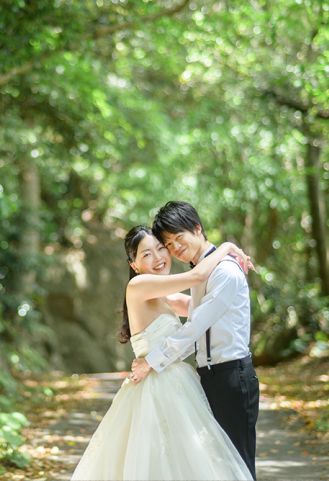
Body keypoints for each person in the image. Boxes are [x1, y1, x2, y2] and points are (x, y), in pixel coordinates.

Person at [70, 225, 253, 481]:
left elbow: (204, 306)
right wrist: (228, 247)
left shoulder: (164, 296)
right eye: (147, 254)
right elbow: (198, 276)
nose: (158, 257)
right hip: (157, 387)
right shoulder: (139, 285)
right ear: (133, 265)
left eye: (160, 248)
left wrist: (233, 282)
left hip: (178, 382)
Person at [130, 201, 259, 480]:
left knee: (238, 467)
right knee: (218, 466)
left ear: (197, 229)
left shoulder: (224, 271)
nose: (174, 248)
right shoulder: (196, 273)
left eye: (178, 238)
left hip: (232, 376)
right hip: (208, 378)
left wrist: (152, 361)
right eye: (168, 244)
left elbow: (196, 326)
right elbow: (195, 326)